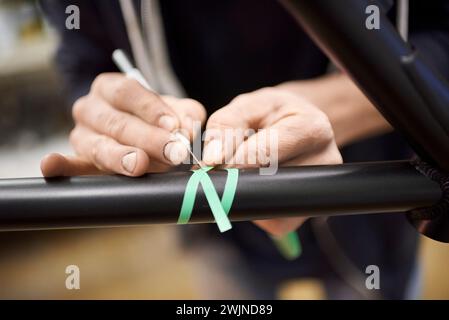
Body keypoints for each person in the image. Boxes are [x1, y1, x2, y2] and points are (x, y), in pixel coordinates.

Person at [39, 0, 449, 299]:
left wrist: (333, 108)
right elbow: (86, 59)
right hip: (216, 232)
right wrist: (107, 112)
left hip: (375, 204)